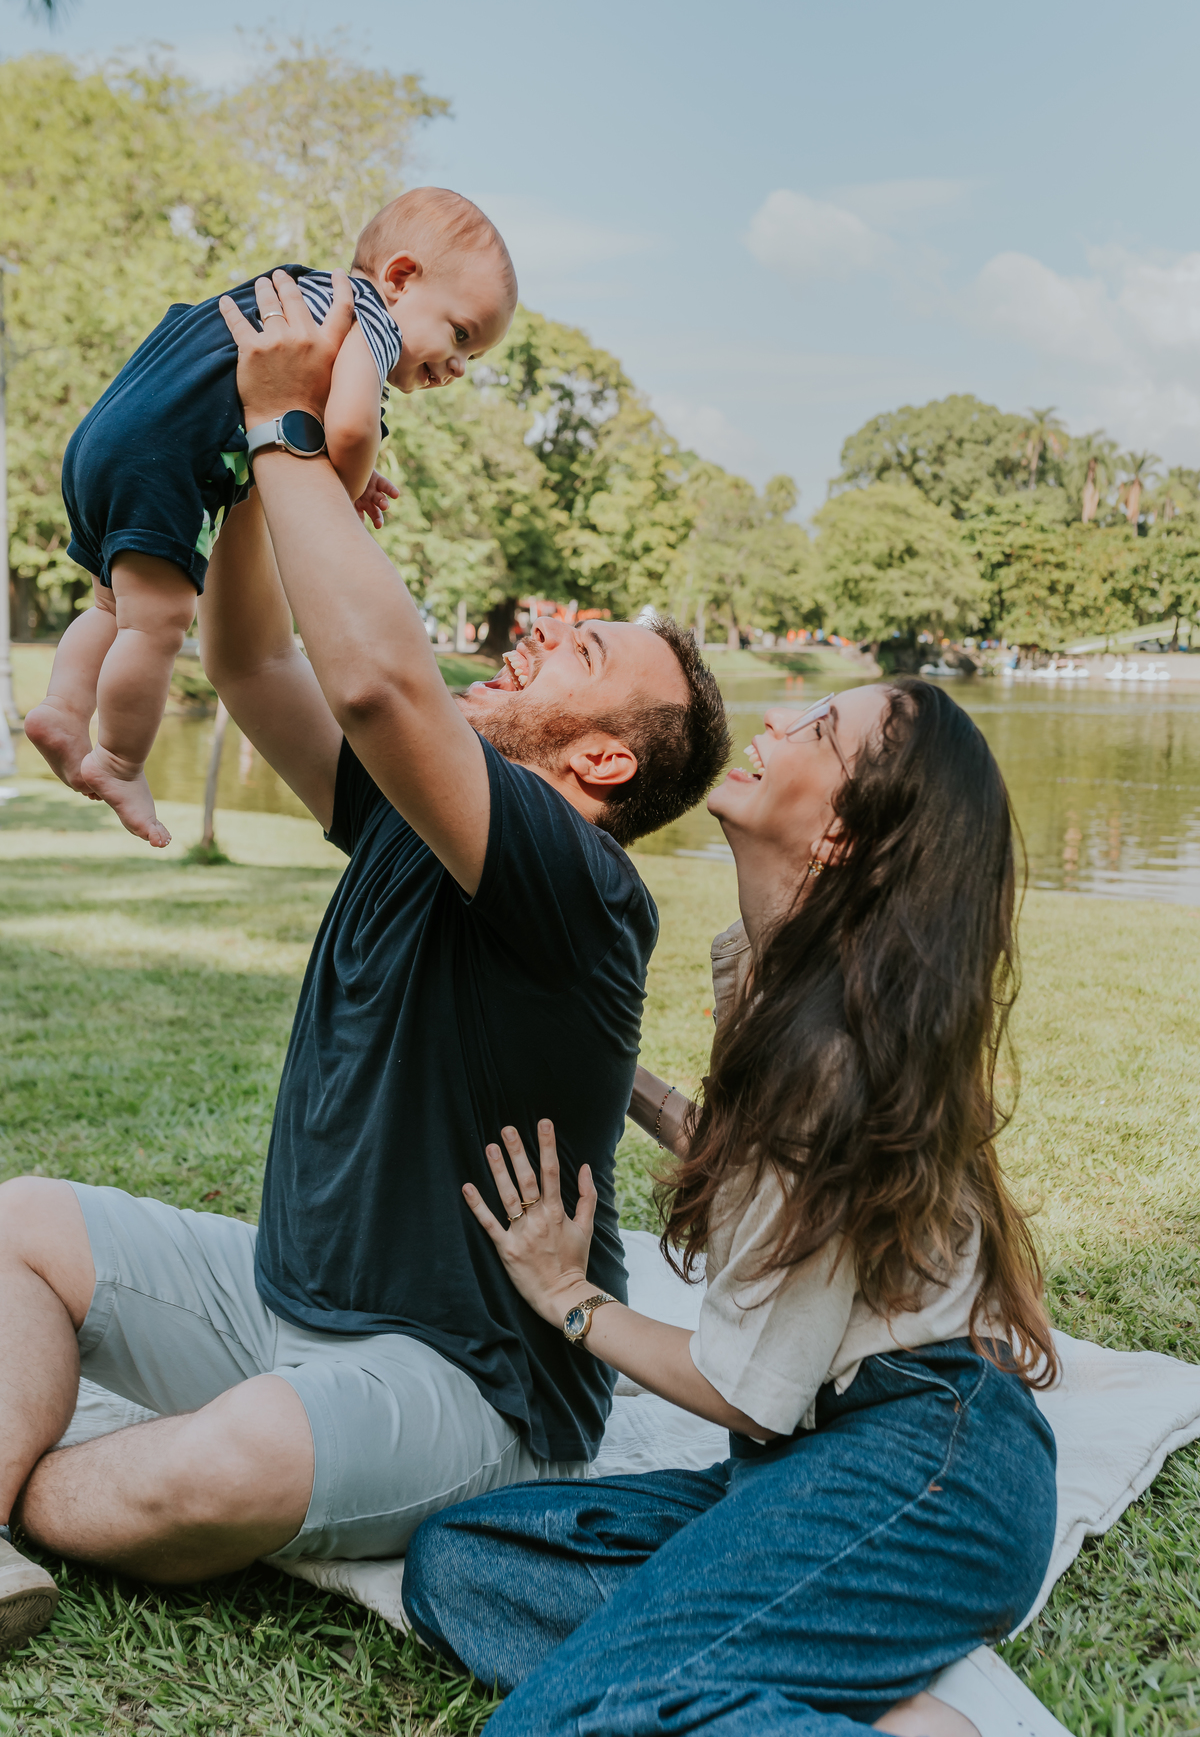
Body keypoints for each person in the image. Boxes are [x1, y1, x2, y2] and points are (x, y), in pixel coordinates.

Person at [0, 270, 730, 1647]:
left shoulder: (581, 885)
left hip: (476, 1374)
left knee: (215, 1467)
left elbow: (378, 680)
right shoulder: (413, 815)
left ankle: (23, 1491)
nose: (539, 631)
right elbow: (258, 660)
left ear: (604, 760)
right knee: (20, 1220)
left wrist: (290, 441)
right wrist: (289, 501)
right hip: (288, 1287)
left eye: (580, 648)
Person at [402, 680, 1059, 1737]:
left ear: (843, 835)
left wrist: (569, 1297)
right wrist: (608, 1074)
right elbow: (766, 1170)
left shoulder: (836, 1054)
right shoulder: (784, 979)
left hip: (926, 1475)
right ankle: (828, 1673)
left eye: (817, 730)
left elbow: (745, 1391)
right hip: (818, 1462)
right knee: (464, 1565)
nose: (775, 722)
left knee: (552, 1725)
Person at [26, 186, 515, 848]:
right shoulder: (364, 321)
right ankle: (117, 760)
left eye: (474, 355)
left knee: (112, 607)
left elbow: (291, 408)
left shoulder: (303, 292)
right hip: (165, 460)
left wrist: (353, 469)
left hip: (106, 439)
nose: (458, 365)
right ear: (400, 279)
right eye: (460, 333)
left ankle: (61, 709)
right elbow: (346, 427)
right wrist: (341, 484)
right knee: (157, 625)